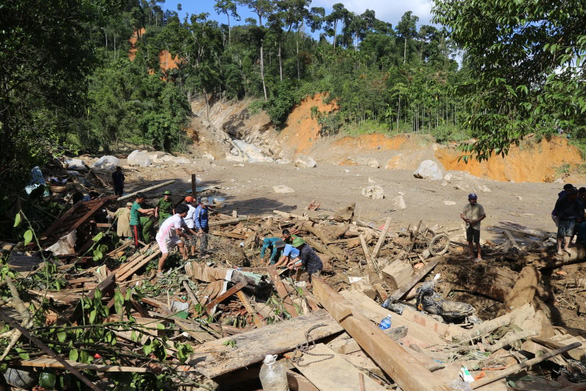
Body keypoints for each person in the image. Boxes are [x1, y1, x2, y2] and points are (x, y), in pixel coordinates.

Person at [155, 204, 197, 277]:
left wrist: (196, 234)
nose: (187, 214)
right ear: (183, 212)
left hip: (171, 236)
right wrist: (187, 236)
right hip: (163, 238)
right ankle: (159, 271)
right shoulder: (177, 219)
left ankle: (185, 258)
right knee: (165, 254)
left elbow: (187, 228)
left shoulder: (181, 219)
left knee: (181, 244)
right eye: (186, 212)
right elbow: (178, 232)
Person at [553, 187, 582, 255]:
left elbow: (580, 210)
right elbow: (557, 209)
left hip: (572, 219)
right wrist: (559, 216)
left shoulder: (577, 201)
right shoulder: (561, 200)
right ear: (570, 194)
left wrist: (579, 217)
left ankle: (566, 246)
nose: (575, 196)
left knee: (569, 234)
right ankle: (559, 248)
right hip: (563, 219)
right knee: (560, 234)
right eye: (574, 194)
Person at [460, 193, 486, 262]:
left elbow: (483, 215)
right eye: (472, 199)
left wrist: (477, 221)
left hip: (476, 226)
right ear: (469, 200)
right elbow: (462, 215)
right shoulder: (466, 206)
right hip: (469, 226)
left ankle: (479, 256)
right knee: (469, 241)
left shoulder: (479, 207)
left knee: (477, 241)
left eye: (474, 199)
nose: (473, 201)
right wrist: (465, 220)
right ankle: (471, 254)